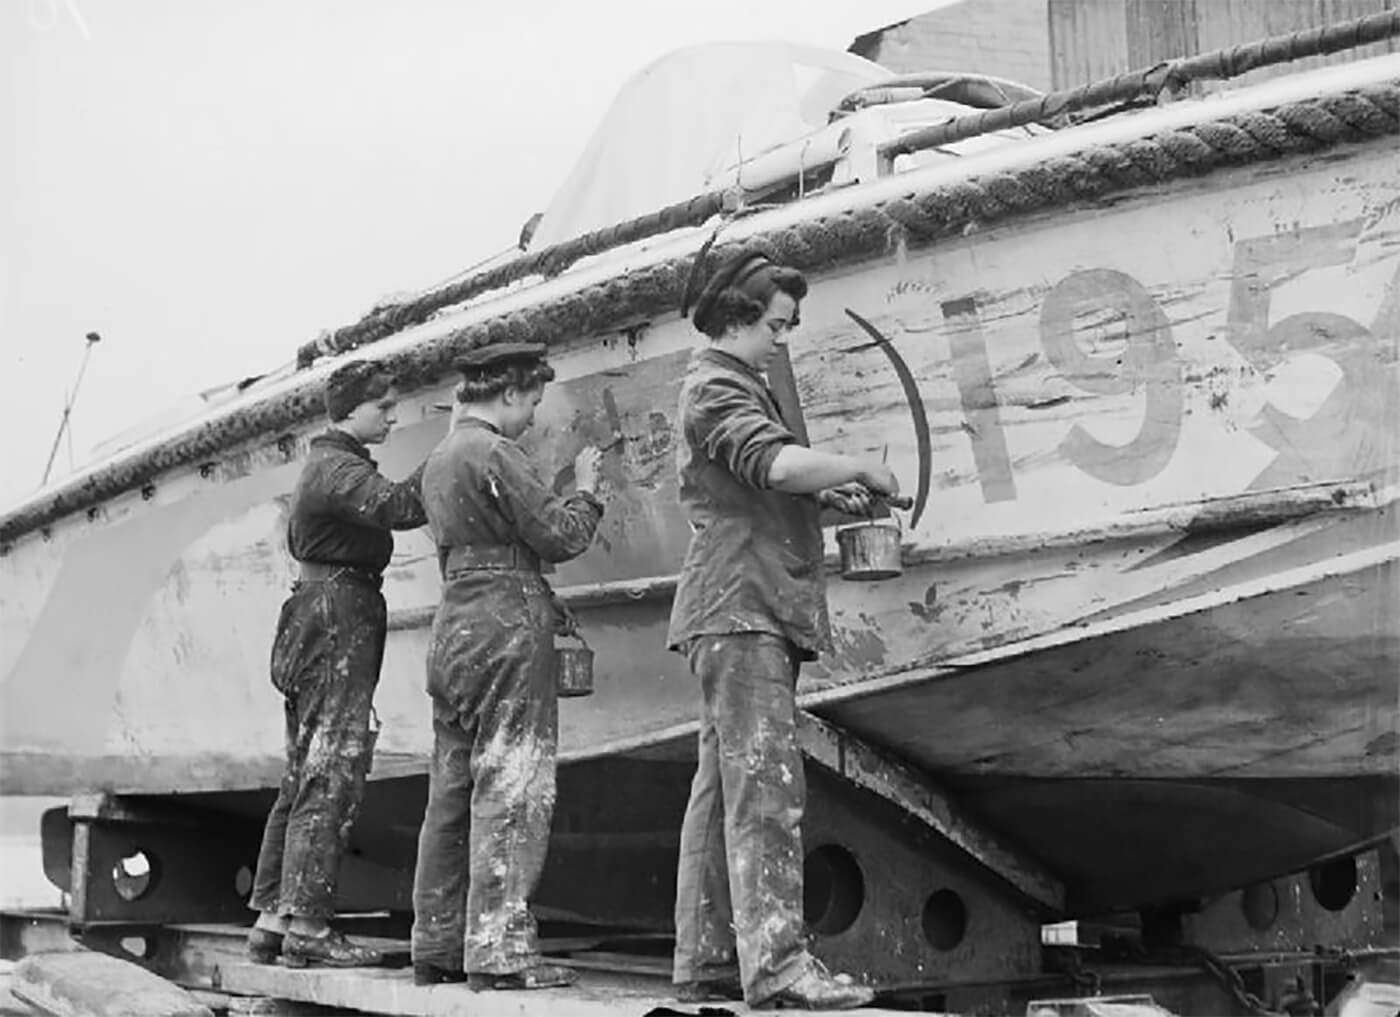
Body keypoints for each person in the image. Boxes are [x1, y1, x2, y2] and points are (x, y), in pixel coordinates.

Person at [668, 250, 901, 1010]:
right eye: (775, 323)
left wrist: (828, 498)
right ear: (735, 317)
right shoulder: (716, 386)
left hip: (734, 605)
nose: (783, 338)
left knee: (721, 788)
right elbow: (769, 466)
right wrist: (857, 464)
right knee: (766, 786)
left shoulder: (734, 385)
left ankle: (705, 959)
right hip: (746, 605)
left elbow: (762, 485)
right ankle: (777, 967)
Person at [410, 342, 604, 990]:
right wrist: (588, 492)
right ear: (513, 393)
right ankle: (498, 950)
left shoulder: (437, 459)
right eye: (532, 404)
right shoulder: (495, 453)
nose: (530, 419)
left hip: (454, 624)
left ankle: (436, 943)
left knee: (452, 790)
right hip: (505, 624)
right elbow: (560, 536)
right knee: (512, 783)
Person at [246, 359, 428, 968]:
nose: (394, 415)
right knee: (334, 768)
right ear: (352, 410)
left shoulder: (326, 465)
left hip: (315, 612)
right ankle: (310, 926)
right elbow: (399, 505)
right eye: (385, 407)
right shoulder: (337, 466)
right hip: (336, 614)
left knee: (303, 771)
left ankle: (274, 917)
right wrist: (463, 447)